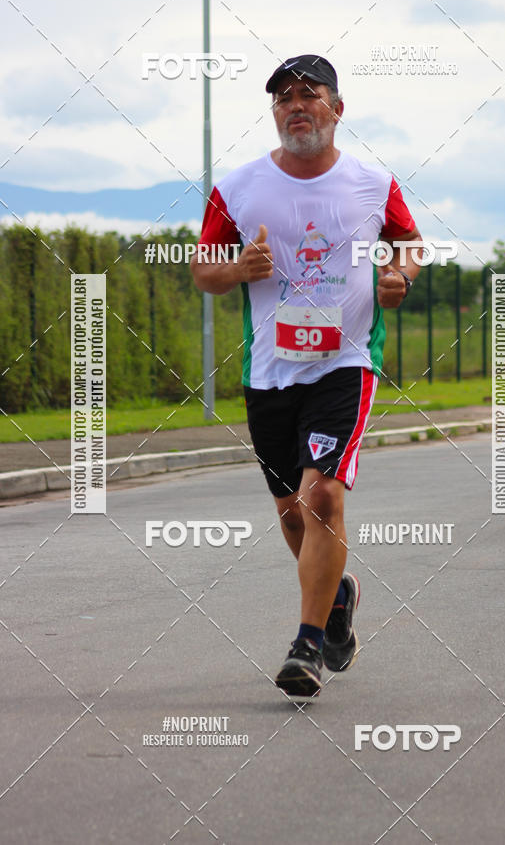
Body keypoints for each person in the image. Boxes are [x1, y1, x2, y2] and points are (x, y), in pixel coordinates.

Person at [191, 54, 423, 700]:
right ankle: (338, 593)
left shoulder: (373, 182)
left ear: (337, 108)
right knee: (292, 512)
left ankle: (308, 643)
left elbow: (409, 241)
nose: (296, 104)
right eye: (283, 97)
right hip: (269, 370)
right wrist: (237, 269)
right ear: (274, 113)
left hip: (344, 362)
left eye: (309, 93)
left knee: (323, 497)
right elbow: (203, 270)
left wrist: (402, 276)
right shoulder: (238, 187)